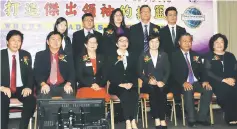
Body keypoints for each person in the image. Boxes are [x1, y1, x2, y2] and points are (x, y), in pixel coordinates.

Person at [171, 33, 212, 127]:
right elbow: (173, 72)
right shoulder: (174, 55)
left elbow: (203, 70)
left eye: (189, 41)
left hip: (196, 81)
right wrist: (183, 82)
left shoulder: (196, 55)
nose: (187, 43)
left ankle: (201, 118)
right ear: (179, 42)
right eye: (184, 41)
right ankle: (191, 119)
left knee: (208, 89)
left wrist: (205, 81)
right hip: (180, 83)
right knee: (188, 89)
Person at [1, 30, 36, 129]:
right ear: (7, 41)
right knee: (2, 100)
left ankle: (22, 127)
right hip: (4, 88)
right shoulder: (1, 55)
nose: (16, 43)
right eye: (13, 40)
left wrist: (28, 87)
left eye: (19, 40)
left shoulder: (26, 55)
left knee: (31, 100)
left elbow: (30, 74)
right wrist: (1, 87)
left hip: (21, 88)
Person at [204, 33, 237, 125]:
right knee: (226, 91)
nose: (219, 44)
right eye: (217, 42)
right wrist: (224, 80)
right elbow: (208, 72)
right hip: (216, 81)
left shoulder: (230, 55)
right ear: (212, 44)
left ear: (225, 44)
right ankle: (231, 117)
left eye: (221, 42)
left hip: (231, 81)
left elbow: (235, 69)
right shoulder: (209, 56)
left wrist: (233, 79)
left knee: (234, 89)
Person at [138, 34, 170, 129]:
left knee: (161, 91)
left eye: (157, 41)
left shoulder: (164, 55)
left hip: (162, 83)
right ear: (148, 43)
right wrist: (148, 80)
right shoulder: (143, 55)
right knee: (153, 91)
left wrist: (163, 81)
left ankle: (162, 119)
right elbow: (139, 72)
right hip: (148, 83)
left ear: (159, 43)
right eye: (152, 41)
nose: (154, 44)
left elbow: (168, 71)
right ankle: (157, 118)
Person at [107, 34, 138, 129]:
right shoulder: (111, 56)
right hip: (116, 85)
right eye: (121, 40)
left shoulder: (133, 56)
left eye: (126, 41)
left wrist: (131, 83)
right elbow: (109, 73)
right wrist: (121, 84)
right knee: (125, 94)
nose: (124, 43)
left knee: (134, 94)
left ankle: (133, 121)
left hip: (130, 84)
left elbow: (135, 72)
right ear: (117, 43)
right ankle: (128, 121)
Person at [34, 31, 75, 99]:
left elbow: (72, 72)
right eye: (53, 39)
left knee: (69, 97)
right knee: (44, 97)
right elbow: (37, 73)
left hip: (63, 86)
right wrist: (43, 84)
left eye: (58, 39)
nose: (56, 42)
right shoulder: (40, 55)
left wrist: (68, 84)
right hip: (46, 86)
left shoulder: (67, 56)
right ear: (48, 42)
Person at [159, 6, 186, 97]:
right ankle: (168, 109)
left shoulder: (182, 30)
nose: (173, 17)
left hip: (179, 63)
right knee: (167, 88)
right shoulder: (161, 31)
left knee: (178, 87)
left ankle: (178, 108)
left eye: (174, 15)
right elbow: (160, 48)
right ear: (166, 17)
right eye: (170, 15)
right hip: (166, 63)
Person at [75, 34, 109, 102]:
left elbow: (105, 75)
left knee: (101, 98)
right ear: (86, 44)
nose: (93, 44)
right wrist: (91, 85)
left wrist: (99, 85)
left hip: (99, 87)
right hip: (84, 87)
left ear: (97, 44)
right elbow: (79, 76)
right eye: (90, 42)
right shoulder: (80, 58)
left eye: (94, 42)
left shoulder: (102, 58)